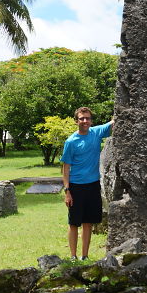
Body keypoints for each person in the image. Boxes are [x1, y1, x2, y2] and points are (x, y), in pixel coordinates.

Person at [60, 107, 113, 260]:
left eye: (87, 118)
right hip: (76, 187)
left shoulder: (96, 133)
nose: (85, 121)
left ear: (91, 120)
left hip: (93, 185)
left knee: (88, 222)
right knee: (74, 223)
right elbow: (66, 168)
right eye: (82, 118)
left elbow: (114, 123)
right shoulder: (70, 142)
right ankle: (73, 256)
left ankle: (85, 256)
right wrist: (67, 191)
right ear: (76, 120)